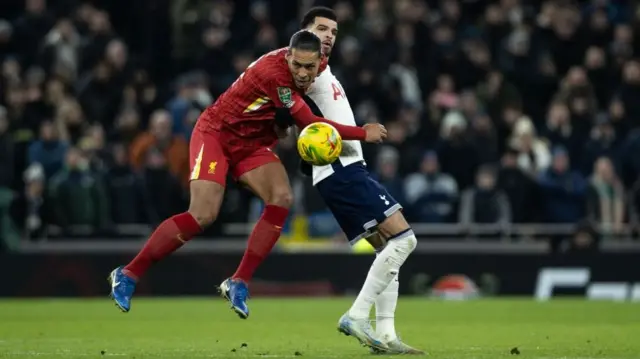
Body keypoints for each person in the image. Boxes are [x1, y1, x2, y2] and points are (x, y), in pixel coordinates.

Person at [108, 31, 387, 316]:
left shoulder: (317, 67)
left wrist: (280, 124)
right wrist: (362, 132)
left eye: (309, 67)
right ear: (288, 57)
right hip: (217, 134)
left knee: (281, 197)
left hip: (252, 143)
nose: (303, 73)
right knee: (203, 214)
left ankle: (239, 281)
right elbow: (310, 122)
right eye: (297, 66)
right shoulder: (275, 74)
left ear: (321, 62)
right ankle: (128, 273)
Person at [274, 7, 422, 354]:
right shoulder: (300, 71)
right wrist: (360, 132)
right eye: (321, 28)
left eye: (334, 31)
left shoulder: (320, 69)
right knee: (405, 240)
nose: (328, 36)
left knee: (387, 249)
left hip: (342, 169)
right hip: (340, 167)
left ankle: (386, 334)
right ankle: (357, 314)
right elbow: (292, 110)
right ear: (303, 34)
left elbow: (286, 115)